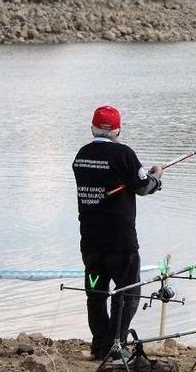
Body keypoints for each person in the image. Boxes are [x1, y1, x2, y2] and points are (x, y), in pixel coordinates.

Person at [72, 105, 163, 360]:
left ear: (93, 127)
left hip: (90, 240)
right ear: (118, 129)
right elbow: (142, 187)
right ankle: (116, 344)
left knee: (96, 291)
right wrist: (157, 177)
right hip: (120, 240)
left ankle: (100, 345)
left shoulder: (81, 156)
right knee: (128, 290)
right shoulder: (123, 154)